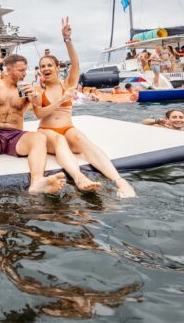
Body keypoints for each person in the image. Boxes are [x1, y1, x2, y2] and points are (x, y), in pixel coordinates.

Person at [32, 18, 136, 198]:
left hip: (68, 128)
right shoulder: (37, 89)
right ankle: (78, 177)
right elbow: (39, 113)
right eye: (42, 66)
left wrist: (67, 39)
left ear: (57, 67)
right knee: (59, 140)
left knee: (81, 138)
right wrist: (59, 101)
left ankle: (119, 181)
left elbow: (76, 63)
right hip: (47, 132)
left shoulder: (68, 83)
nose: (45, 68)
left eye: (49, 65)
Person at [0, 53, 67, 195]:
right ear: (8, 70)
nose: (24, 74)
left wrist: (34, 96)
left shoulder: (26, 89)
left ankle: (37, 180)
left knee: (39, 138)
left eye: (25, 70)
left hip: (16, 137)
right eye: (21, 70)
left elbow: (38, 104)